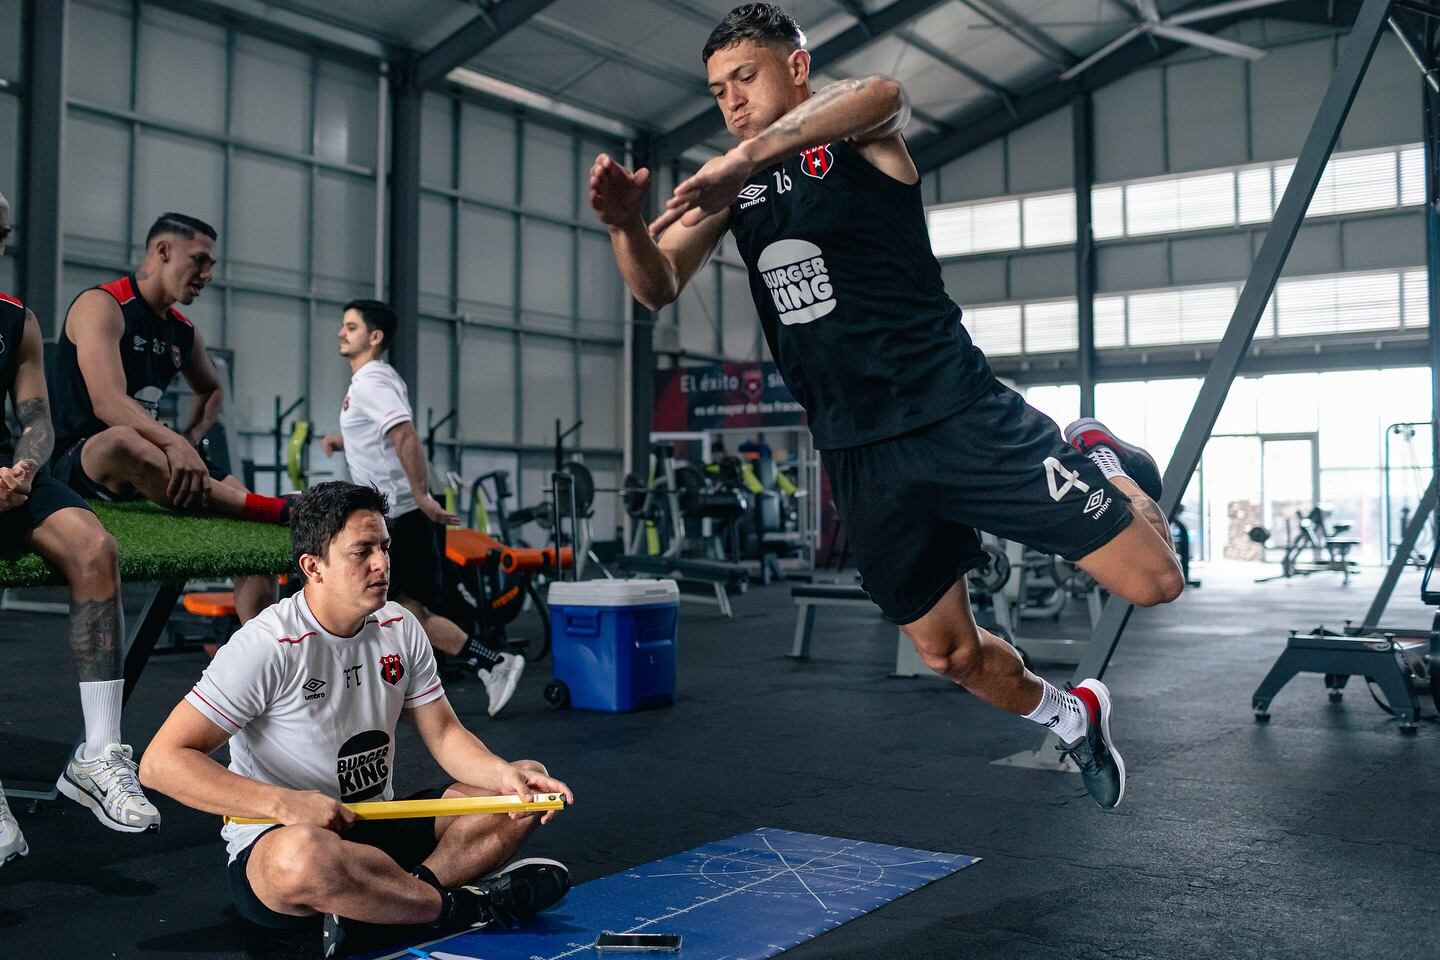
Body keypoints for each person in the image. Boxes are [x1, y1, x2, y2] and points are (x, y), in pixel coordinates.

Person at [588, 3, 1186, 809]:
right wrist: (627, 226)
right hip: (859, 449)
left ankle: (1101, 459)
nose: (729, 100)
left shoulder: (854, 136)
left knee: (1155, 582)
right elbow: (656, 286)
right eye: (717, 89)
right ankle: (1071, 715)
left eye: (745, 76)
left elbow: (885, 93)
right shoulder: (733, 192)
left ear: (795, 67)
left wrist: (750, 156)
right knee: (948, 653)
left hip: (955, 413)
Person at [139, 481, 572, 959]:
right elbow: (160, 763)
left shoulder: (400, 626)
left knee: (524, 792)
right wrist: (283, 804)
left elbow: (445, 733)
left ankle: (391, 906)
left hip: (374, 824)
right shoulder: (266, 646)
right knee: (302, 859)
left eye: (384, 547)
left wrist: (503, 773)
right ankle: (463, 907)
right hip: (288, 840)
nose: (382, 564)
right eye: (361, 551)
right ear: (313, 566)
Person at [0, 191, 161, 862]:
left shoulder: (17, 321)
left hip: (6, 477)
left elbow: (35, 417)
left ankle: (98, 755)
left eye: (1, 233)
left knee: (96, 546)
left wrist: (25, 467)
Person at [44, 212, 290, 622]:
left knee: (259, 550)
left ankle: (262, 661)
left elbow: (211, 389)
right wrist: (176, 442)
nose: (209, 274)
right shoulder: (102, 305)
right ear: (163, 251)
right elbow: (107, 401)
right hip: (87, 459)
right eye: (200, 260)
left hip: (157, 454)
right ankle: (278, 509)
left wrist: (190, 437)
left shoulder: (184, 332)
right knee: (123, 439)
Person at [319, 300, 525, 716]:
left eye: (351, 327)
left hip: (400, 516)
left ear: (374, 338)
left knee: (392, 608)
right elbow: (382, 436)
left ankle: (490, 663)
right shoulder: (375, 380)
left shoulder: (371, 381)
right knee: (402, 610)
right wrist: (344, 441)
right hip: (397, 513)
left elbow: (406, 437)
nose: (341, 333)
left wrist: (424, 497)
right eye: (343, 326)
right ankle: (487, 663)